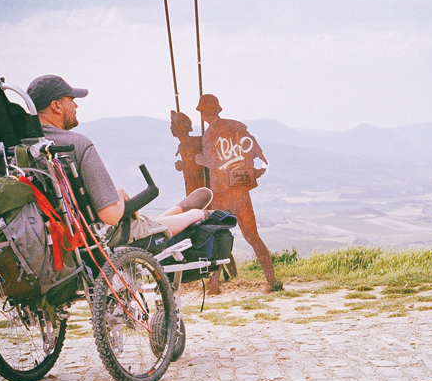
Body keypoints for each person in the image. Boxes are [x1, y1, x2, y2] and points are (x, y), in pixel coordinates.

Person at [26, 74, 212, 245]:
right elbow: (110, 216)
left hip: (49, 235)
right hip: (97, 234)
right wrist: (119, 193)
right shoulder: (76, 144)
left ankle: (179, 208)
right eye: (72, 100)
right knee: (144, 226)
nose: (76, 106)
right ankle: (197, 214)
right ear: (56, 106)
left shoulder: (17, 150)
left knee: (146, 221)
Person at [194, 94, 276, 287]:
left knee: (219, 235)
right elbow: (253, 150)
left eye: (203, 112)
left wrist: (199, 160)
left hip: (222, 194)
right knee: (252, 236)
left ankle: (214, 286)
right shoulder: (236, 127)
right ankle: (272, 280)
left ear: (206, 113)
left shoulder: (208, 136)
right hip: (240, 192)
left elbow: (213, 163)